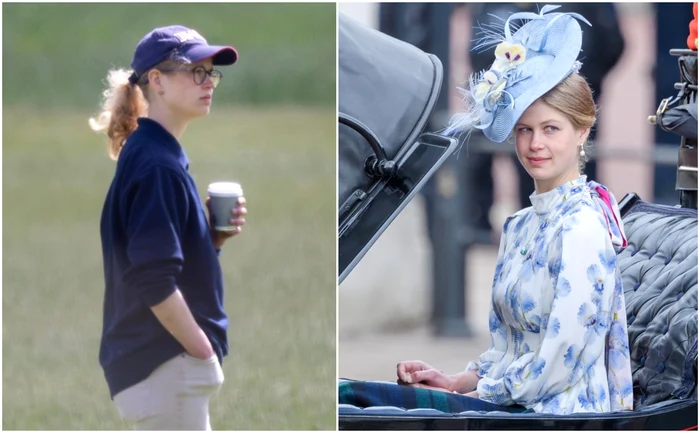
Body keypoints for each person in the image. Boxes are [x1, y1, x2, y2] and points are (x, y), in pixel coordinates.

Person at [339, 6, 634, 414]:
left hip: (560, 415)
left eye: (551, 129)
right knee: (359, 400)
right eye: (524, 130)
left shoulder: (581, 227)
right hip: (514, 407)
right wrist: (457, 381)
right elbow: (508, 348)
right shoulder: (520, 224)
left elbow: (560, 361)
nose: (535, 145)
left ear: (582, 130)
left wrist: (481, 396)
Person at [89, 25, 245, 430]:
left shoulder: (152, 151)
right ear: (156, 80)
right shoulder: (157, 164)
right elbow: (153, 277)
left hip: (160, 368)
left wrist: (211, 239)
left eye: (211, 72)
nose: (208, 82)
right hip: (166, 366)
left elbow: (158, 260)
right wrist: (202, 352)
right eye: (196, 71)